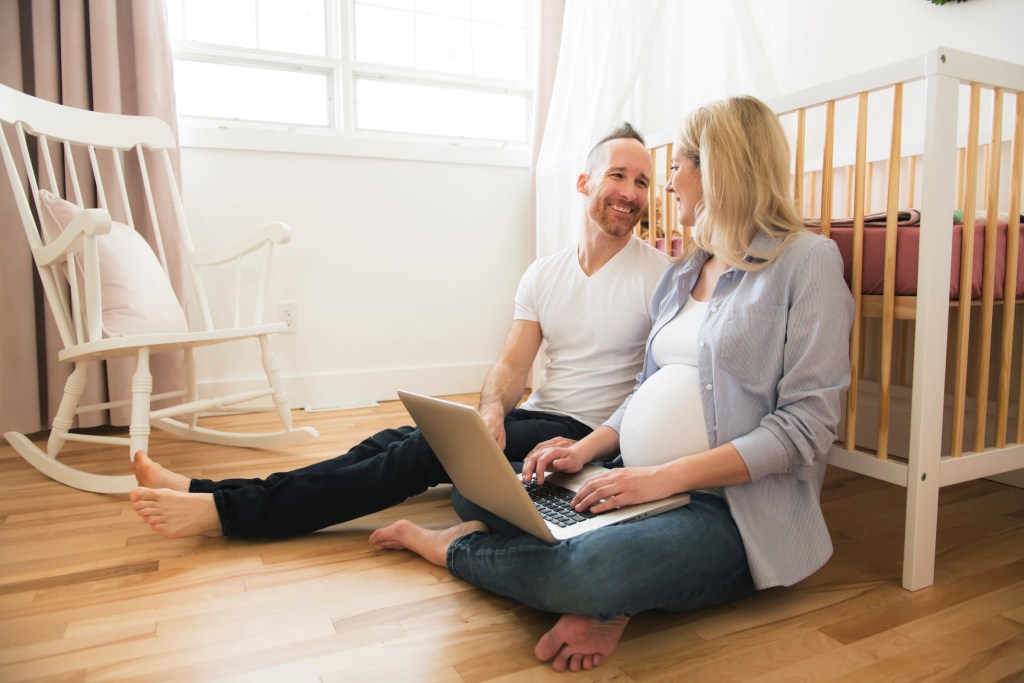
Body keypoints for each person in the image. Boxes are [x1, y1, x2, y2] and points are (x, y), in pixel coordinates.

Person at [369, 95, 855, 673]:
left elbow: (806, 428)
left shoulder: (808, 261)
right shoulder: (684, 270)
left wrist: (658, 479)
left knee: (584, 571)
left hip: (724, 508)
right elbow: (646, 393)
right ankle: (613, 587)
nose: (669, 184)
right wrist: (585, 449)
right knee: (476, 489)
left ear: (717, 168)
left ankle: (459, 550)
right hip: (630, 482)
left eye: (677, 167)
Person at [129, 122, 671, 539]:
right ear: (584, 183)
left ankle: (226, 514)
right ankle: (210, 490)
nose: (629, 191)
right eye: (617, 175)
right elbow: (511, 365)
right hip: (537, 414)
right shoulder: (544, 273)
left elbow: (659, 388)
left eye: (642, 181)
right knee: (390, 439)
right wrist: (490, 411)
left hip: (582, 434)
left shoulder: (661, 278)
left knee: (420, 452)